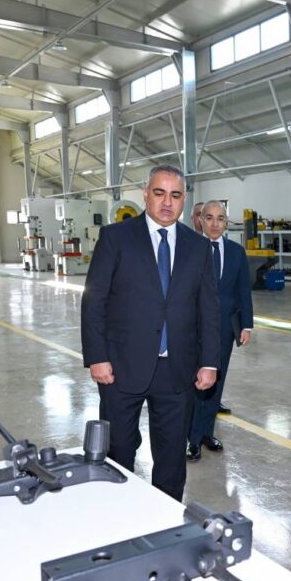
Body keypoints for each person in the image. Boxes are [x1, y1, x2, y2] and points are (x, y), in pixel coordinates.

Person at [81, 165, 220, 501]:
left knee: (171, 457)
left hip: (177, 370)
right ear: (145, 194)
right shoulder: (116, 238)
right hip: (120, 367)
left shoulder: (198, 247)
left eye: (175, 195)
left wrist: (209, 362)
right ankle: (116, 515)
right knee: (118, 451)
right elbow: (94, 301)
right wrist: (97, 357)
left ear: (185, 200)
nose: (167, 202)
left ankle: (166, 518)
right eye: (159, 193)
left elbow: (208, 309)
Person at [187, 201, 253, 460]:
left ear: (227, 222)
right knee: (196, 383)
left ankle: (206, 433)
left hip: (224, 328)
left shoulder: (236, 252)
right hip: (193, 328)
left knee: (217, 382)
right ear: (200, 220)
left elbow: (243, 289)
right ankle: (192, 438)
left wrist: (246, 324)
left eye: (220, 218)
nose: (215, 223)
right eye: (209, 218)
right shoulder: (189, 249)